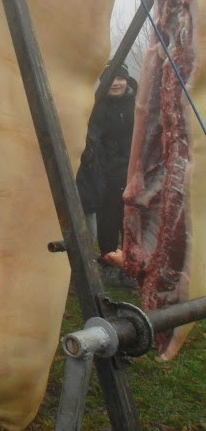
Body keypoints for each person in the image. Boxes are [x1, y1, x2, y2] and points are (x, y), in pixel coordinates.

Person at [81, 61, 137, 287]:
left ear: (127, 80)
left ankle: (130, 264)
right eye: (111, 78)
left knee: (131, 222)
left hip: (132, 171)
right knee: (108, 220)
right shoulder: (96, 104)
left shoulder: (137, 102)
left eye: (120, 78)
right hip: (104, 172)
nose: (116, 83)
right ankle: (108, 263)